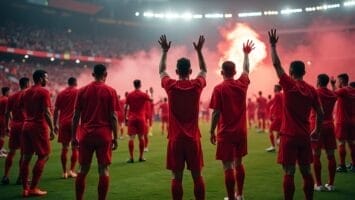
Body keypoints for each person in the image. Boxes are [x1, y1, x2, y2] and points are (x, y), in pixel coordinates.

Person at [268, 29, 324, 200]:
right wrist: (316, 131)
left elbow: (277, 65)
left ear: (291, 72)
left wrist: (273, 45)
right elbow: (320, 113)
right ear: (304, 73)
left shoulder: (289, 85)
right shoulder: (312, 90)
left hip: (288, 135)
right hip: (305, 135)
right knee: (306, 171)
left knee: (289, 172)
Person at [158, 34, 207, 200]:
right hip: (193, 139)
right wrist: (199, 51)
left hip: (176, 139)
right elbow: (204, 70)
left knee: (176, 177)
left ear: (177, 71)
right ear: (190, 71)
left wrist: (164, 51)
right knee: (197, 176)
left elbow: (162, 71)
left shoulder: (171, 86)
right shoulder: (196, 85)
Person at [209, 40, 254, 200]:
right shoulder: (242, 83)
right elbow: (247, 69)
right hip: (241, 131)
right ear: (235, 72)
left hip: (225, 132)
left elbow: (215, 113)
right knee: (239, 163)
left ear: (222, 72)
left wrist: (211, 131)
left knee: (227, 166)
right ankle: (240, 194)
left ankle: (231, 197)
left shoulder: (219, 88)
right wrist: (246, 54)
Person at [72, 64, 118, 200]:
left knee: (82, 169)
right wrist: (116, 137)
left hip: (85, 134)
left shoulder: (82, 90)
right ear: (106, 74)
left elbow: (75, 116)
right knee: (103, 170)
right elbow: (113, 116)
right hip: (103, 135)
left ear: (92, 74)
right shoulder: (111, 91)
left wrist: (74, 136)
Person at [20, 70, 56, 197]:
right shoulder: (44, 91)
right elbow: (47, 112)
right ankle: (33, 188)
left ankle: (25, 189)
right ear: (41, 79)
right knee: (44, 156)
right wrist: (52, 128)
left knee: (26, 158)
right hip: (38, 126)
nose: (47, 80)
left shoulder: (25, 92)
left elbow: (21, 108)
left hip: (26, 125)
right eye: (46, 78)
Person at [310, 74, 337, 191]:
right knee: (331, 155)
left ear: (318, 81)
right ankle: (331, 184)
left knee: (316, 154)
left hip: (317, 125)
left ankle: (319, 184)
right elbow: (335, 94)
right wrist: (333, 85)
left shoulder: (315, 92)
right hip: (330, 125)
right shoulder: (332, 94)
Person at [1, 78, 29, 185]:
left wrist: (8, 126)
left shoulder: (12, 96)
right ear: (27, 84)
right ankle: (20, 177)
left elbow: (7, 113)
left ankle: (5, 176)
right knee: (24, 154)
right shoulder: (27, 94)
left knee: (11, 152)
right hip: (24, 125)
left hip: (14, 126)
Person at [54, 77, 79, 179]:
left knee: (64, 148)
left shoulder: (61, 93)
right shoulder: (78, 92)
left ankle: (64, 172)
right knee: (75, 147)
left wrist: (54, 124)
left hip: (63, 123)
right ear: (75, 83)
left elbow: (56, 110)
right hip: (75, 123)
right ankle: (72, 171)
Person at [330, 73, 355, 172]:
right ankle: (354, 165)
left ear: (342, 81)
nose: (338, 82)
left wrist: (332, 84)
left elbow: (333, 93)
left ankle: (342, 165)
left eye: (338, 80)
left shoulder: (344, 90)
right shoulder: (353, 90)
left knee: (341, 143)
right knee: (352, 143)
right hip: (352, 121)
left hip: (342, 121)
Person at [125, 80, 152, 162]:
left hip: (132, 118)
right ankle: (141, 157)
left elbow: (126, 107)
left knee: (131, 138)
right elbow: (151, 100)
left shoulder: (129, 95)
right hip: (141, 118)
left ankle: (131, 157)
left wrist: (125, 118)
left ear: (134, 85)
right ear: (140, 85)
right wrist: (151, 92)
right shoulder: (144, 94)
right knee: (141, 137)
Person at [265, 85, 283, 152]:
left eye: (274, 88)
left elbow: (273, 105)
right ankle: (279, 144)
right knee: (278, 131)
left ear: (277, 88)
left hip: (277, 116)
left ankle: (273, 146)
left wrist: (270, 114)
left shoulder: (277, 95)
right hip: (282, 116)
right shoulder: (283, 95)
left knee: (270, 130)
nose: (273, 89)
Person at [0, 87, 10, 158]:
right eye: (9, 92)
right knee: (2, 136)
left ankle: (1, 149)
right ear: (6, 92)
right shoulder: (6, 100)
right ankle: (0, 152)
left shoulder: (0, 98)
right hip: (2, 119)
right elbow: (7, 112)